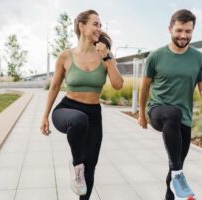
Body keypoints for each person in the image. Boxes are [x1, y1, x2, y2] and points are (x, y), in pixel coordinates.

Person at [40, 10, 123, 200]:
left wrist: (108, 58)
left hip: (93, 114)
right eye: (95, 24)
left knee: (91, 165)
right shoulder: (65, 56)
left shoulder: (105, 55)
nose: (99, 29)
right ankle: (76, 164)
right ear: (81, 26)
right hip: (67, 110)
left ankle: (82, 182)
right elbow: (54, 87)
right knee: (79, 120)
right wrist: (45, 115)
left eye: (100, 25)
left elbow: (118, 85)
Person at [138, 9, 202, 200]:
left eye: (188, 31)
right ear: (170, 29)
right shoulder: (156, 56)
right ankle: (178, 175)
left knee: (175, 165)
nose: (183, 35)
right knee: (172, 115)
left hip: (184, 118)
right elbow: (144, 88)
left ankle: (173, 188)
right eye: (179, 30)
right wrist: (141, 114)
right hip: (158, 111)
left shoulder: (199, 59)